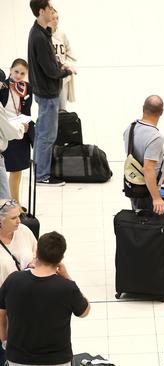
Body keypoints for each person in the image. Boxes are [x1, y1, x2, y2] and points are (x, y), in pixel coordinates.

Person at [0, 231, 90, 366]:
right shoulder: (67, 288)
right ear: (61, 258)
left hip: (18, 359)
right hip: (57, 360)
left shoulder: (13, 280)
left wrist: (5, 341)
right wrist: (68, 278)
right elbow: (85, 311)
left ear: (36, 252)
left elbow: (1, 314)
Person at [28, 0, 76, 186]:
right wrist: (66, 71)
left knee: (42, 133)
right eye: (49, 8)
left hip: (42, 90)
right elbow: (50, 70)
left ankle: (39, 169)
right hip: (47, 92)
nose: (52, 11)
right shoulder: (39, 37)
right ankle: (42, 176)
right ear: (41, 11)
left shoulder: (40, 31)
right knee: (47, 135)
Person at [0, 199, 37, 365]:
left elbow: (37, 254)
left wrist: (34, 263)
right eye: (14, 218)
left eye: (19, 216)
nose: (19, 221)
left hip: (27, 302)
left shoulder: (24, 231)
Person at [122, 95, 164, 214]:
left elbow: (136, 156)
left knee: (138, 222)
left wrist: (161, 173)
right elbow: (148, 168)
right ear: (161, 112)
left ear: (143, 108)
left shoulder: (130, 128)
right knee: (149, 228)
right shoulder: (155, 137)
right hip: (147, 191)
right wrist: (157, 198)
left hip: (133, 184)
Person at [1, 59, 35, 207]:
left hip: (20, 130)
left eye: (22, 73)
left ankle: (15, 203)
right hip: (5, 131)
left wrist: (26, 124)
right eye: (16, 72)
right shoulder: (2, 86)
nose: (19, 75)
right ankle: (6, 204)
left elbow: (26, 110)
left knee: (17, 169)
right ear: (10, 70)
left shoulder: (27, 88)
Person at [49, 8, 75, 112]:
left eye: (57, 18)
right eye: (53, 18)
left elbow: (70, 52)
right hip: (50, 76)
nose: (55, 21)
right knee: (51, 108)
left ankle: (62, 127)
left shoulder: (62, 35)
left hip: (62, 76)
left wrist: (67, 64)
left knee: (62, 108)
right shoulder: (42, 36)